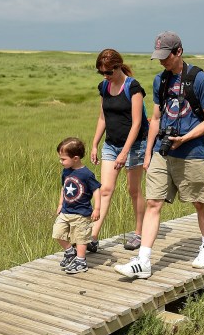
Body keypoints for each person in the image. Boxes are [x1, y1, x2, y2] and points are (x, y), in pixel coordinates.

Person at [114, 31, 204, 279]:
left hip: (193, 152)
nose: (162, 61)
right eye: (158, 57)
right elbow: (157, 119)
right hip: (162, 150)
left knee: (199, 201)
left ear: (179, 52)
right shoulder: (160, 81)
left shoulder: (199, 79)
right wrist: (148, 152)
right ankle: (143, 261)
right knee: (153, 202)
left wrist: (186, 137)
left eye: (166, 57)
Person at [89, 49, 148, 253]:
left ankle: (139, 233)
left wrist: (125, 152)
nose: (105, 76)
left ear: (118, 66)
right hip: (111, 144)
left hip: (135, 146)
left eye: (108, 72)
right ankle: (93, 236)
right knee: (105, 189)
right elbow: (102, 118)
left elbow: (137, 123)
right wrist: (95, 143)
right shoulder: (104, 87)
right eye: (101, 73)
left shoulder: (133, 88)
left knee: (134, 191)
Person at [54, 137, 101, 274]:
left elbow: (96, 190)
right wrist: (60, 203)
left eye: (63, 159)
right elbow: (64, 188)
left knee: (80, 237)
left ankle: (81, 261)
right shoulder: (66, 171)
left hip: (81, 213)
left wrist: (97, 208)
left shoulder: (86, 174)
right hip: (66, 211)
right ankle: (70, 252)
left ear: (75, 158)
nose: (61, 162)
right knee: (57, 232)